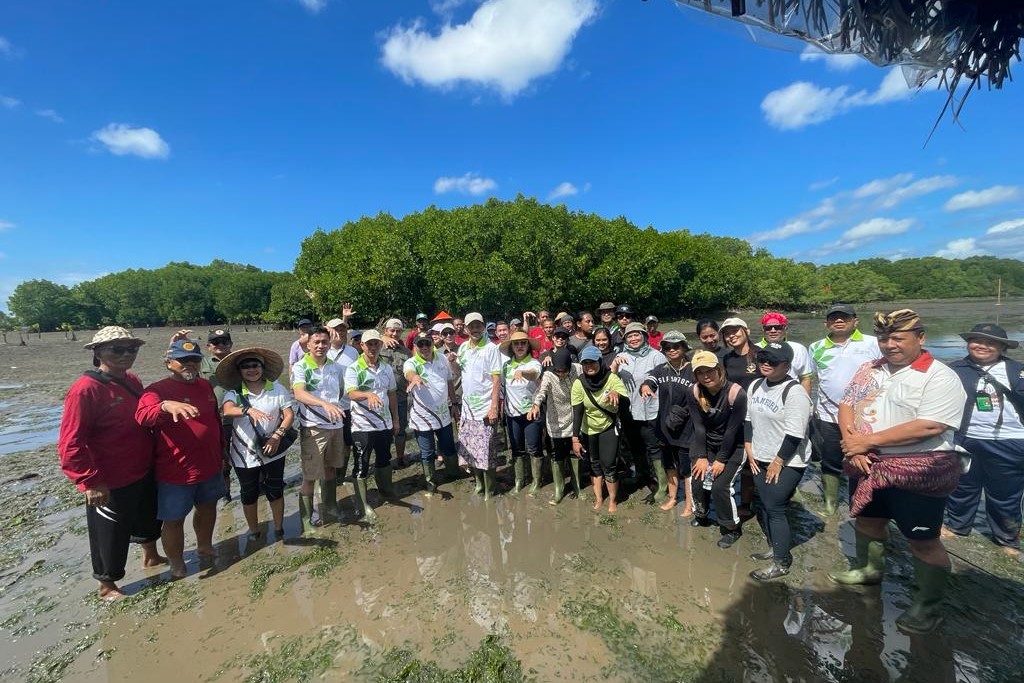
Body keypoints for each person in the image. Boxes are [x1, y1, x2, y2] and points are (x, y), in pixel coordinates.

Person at [828, 309, 966, 634]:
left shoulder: (939, 375)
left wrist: (865, 442)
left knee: (923, 540)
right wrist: (852, 443)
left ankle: (927, 606)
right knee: (867, 520)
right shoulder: (870, 368)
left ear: (921, 337)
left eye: (897, 338)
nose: (889, 345)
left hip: (918, 469)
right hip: (866, 463)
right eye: (883, 338)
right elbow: (847, 403)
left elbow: (929, 425)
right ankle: (868, 569)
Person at [58, 326, 165, 599]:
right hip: (109, 477)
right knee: (109, 532)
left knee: (148, 517)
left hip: (141, 467)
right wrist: (89, 481)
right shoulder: (85, 390)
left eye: (131, 349)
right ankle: (107, 585)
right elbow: (70, 442)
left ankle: (151, 557)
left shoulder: (133, 380)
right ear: (98, 353)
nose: (126, 354)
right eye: (117, 349)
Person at [136, 340, 225, 578]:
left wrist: (222, 452)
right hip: (176, 471)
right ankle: (176, 562)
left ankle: (204, 546)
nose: (190, 365)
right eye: (183, 360)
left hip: (210, 464)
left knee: (208, 507)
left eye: (194, 360)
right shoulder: (156, 390)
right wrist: (165, 406)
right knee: (173, 519)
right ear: (169, 364)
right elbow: (142, 416)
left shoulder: (205, 386)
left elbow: (214, 420)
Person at [945, 323, 1024, 555]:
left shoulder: (1018, 371)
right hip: (965, 438)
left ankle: (1007, 538)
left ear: (1002, 347)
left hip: (1011, 440)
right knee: (961, 487)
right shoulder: (955, 369)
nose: (982, 346)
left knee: (1006, 493)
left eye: (990, 342)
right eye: (976, 340)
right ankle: (957, 526)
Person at [744, 342, 813, 580]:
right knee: (765, 502)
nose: (766, 364)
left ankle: (781, 563)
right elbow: (748, 421)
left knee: (775, 507)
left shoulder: (794, 392)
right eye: (763, 358)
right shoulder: (755, 385)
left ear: (786, 365)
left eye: (772, 361)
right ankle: (776, 547)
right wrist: (749, 447)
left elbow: (795, 433)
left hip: (789, 459)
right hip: (759, 456)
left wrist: (778, 461)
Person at [807, 304, 882, 515]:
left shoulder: (873, 343)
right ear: (826, 323)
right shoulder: (816, 347)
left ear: (855, 321)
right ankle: (830, 501)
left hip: (865, 416)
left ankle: (860, 502)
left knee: (864, 460)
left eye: (844, 317)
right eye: (834, 318)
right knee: (830, 459)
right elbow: (811, 377)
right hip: (828, 414)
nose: (838, 321)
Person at [217, 348, 293, 541]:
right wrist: (249, 410)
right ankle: (254, 530)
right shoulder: (233, 393)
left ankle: (278, 528)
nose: (251, 369)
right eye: (246, 366)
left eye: (255, 365)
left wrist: (277, 435)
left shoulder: (277, 388)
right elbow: (227, 411)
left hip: (274, 449)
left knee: (275, 490)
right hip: (244, 454)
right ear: (239, 371)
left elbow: (289, 414)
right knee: (248, 493)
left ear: (262, 367)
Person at [686, 351, 747, 548]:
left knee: (721, 486)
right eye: (700, 372)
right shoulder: (694, 391)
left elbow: (732, 431)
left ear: (719, 369)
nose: (706, 376)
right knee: (697, 478)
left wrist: (720, 460)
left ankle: (731, 528)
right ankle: (701, 514)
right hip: (707, 442)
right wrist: (701, 456)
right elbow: (699, 426)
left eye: (710, 371)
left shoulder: (736, 393)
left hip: (734, 445)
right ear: (695, 375)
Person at [290, 326, 346, 531]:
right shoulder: (301, 366)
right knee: (311, 474)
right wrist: (324, 404)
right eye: (317, 342)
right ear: (308, 344)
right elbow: (299, 393)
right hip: (313, 427)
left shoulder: (335, 366)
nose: (321, 346)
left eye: (324, 342)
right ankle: (306, 518)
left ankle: (330, 506)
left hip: (336, 425)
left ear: (329, 343)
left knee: (331, 468)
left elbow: (341, 391)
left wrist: (334, 406)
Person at [345, 329, 399, 521]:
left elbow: (392, 394)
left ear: (381, 345)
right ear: (362, 346)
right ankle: (362, 503)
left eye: (376, 343)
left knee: (384, 458)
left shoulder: (386, 368)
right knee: (362, 465)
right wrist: (368, 395)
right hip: (362, 426)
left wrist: (396, 420)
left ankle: (386, 491)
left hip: (384, 423)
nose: (373, 347)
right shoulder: (354, 368)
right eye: (369, 344)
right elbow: (350, 393)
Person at [611, 322, 668, 502]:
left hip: (650, 410)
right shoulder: (620, 356)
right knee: (635, 445)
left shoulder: (657, 356)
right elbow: (611, 383)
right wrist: (614, 366)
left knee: (653, 447)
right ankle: (642, 475)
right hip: (628, 410)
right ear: (625, 338)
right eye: (630, 336)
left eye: (637, 335)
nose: (634, 338)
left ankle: (663, 484)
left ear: (644, 336)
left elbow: (665, 382)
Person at [640, 330, 694, 515]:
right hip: (664, 427)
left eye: (676, 346)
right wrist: (646, 386)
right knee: (669, 466)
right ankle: (673, 497)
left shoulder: (693, 369)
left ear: (684, 347)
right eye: (667, 347)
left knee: (687, 469)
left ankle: (689, 503)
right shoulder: (661, 369)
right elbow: (650, 380)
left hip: (687, 429)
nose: (671, 350)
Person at [571, 346, 627, 513]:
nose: (589, 366)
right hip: (588, 431)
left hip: (607, 427)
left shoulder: (611, 379)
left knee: (609, 465)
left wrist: (617, 394)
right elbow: (577, 413)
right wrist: (575, 439)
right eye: (585, 363)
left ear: (600, 362)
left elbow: (626, 404)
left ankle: (612, 500)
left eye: (592, 362)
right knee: (594, 465)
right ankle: (598, 498)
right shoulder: (579, 383)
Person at [456, 312, 503, 499]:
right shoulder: (462, 348)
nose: (475, 329)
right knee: (472, 450)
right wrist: (452, 363)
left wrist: (493, 407)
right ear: (466, 329)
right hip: (468, 409)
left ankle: (490, 489)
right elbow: (459, 373)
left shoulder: (491, 348)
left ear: (483, 327)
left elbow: (496, 379)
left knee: (488, 451)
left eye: (478, 326)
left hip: (485, 408)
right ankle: (479, 484)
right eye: (471, 326)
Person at [404, 331, 458, 493]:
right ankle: (430, 481)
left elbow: (449, 382)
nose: (425, 347)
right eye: (421, 344)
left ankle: (453, 474)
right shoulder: (411, 363)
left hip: (443, 414)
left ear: (433, 344)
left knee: (448, 447)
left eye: (427, 343)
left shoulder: (442, 358)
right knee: (427, 452)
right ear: (415, 346)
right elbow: (409, 373)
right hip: (423, 416)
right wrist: (414, 378)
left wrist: (454, 403)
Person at [528, 348, 582, 504]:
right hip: (556, 419)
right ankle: (559, 489)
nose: (561, 374)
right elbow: (541, 391)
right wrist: (536, 405)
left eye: (564, 371)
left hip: (574, 416)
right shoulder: (549, 375)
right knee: (557, 455)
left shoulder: (577, 369)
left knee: (575, 452)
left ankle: (577, 485)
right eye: (558, 371)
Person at [499, 331, 543, 493]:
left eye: (523, 343)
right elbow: (500, 388)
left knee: (534, 447)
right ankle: (519, 480)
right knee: (516, 448)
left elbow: (534, 374)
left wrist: (523, 372)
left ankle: (536, 480)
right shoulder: (505, 366)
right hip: (512, 414)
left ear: (528, 346)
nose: (519, 346)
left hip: (531, 412)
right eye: (516, 344)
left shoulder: (534, 363)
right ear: (511, 347)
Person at [379, 319, 412, 466]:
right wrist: (381, 338)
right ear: (385, 331)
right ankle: (384, 460)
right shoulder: (377, 346)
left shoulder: (406, 352)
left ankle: (400, 458)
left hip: (400, 397)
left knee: (400, 429)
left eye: (398, 331)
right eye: (391, 330)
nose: (395, 333)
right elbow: (361, 342)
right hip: (381, 399)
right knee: (382, 431)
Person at [756, 312, 814, 393]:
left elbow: (805, 379)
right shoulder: (754, 349)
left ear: (786, 329)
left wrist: (806, 402)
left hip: (791, 395)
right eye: (768, 328)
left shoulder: (799, 349)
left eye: (778, 327)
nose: (773, 330)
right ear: (763, 329)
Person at [718, 317, 760, 389]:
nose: (731, 336)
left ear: (747, 331)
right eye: (727, 334)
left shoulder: (761, 354)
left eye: (735, 331)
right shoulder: (727, 358)